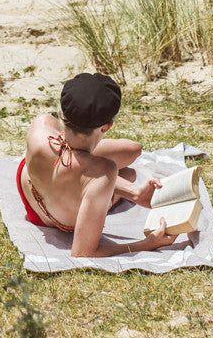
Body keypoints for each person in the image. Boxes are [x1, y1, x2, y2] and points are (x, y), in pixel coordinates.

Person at [18, 72, 177, 257]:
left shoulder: (41, 125)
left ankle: (131, 188)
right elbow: (82, 252)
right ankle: (127, 185)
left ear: (62, 113)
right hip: (66, 220)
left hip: (33, 199)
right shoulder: (105, 172)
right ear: (107, 125)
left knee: (132, 150)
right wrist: (146, 244)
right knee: (128, 174)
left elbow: (71, 166)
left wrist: (134, 193)